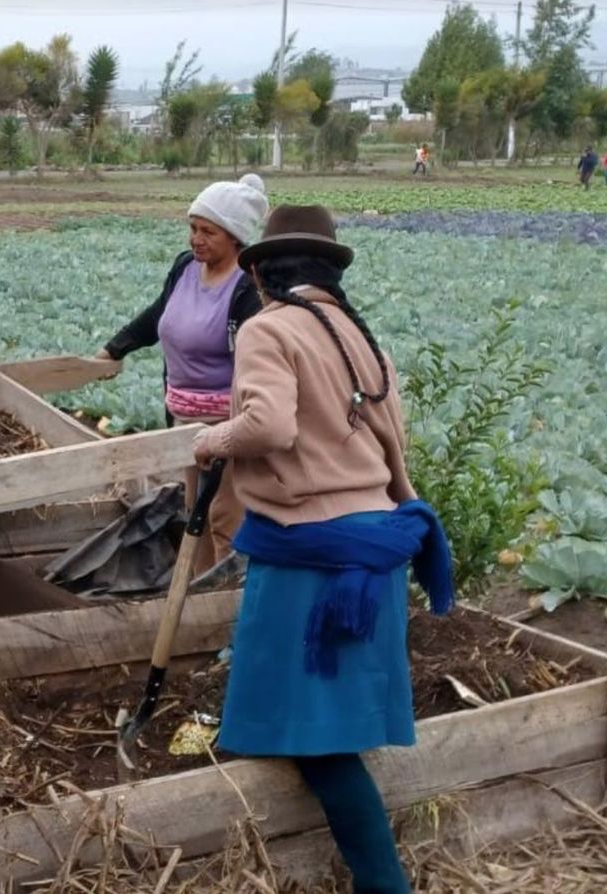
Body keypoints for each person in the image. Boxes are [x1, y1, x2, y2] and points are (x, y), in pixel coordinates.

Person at [192, 205, 454, 894]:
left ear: (256, 271)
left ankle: (384, 884)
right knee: (317, 718)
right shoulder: (361, 338)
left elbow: (269, 425)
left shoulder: (267, 328)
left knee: (320, 742)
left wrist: (213, 440)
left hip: (312, 556)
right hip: (371, 547)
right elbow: (394, 448)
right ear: (329, 272)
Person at [96, 173, 269, 573]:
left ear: (235, 237)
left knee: (226, 515)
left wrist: (239, 423)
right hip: (183, 420)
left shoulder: (247, 288)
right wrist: (114, 348)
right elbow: (159, 314)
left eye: (208, 231)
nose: (197, 238)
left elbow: (258, 358)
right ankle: (195, 599)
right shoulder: (186, 268)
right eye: (193, 228)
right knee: (195, 513)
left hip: (228, 422)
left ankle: (227, 606)